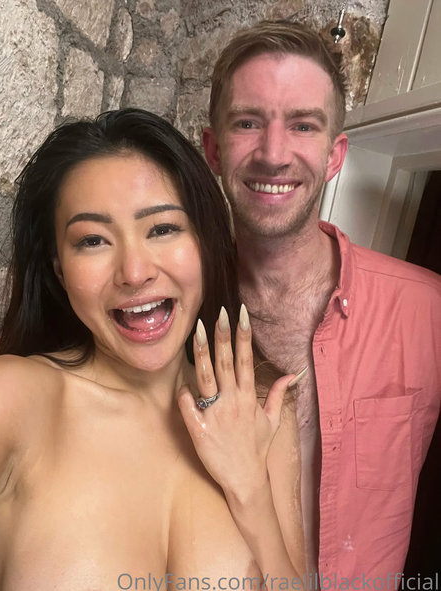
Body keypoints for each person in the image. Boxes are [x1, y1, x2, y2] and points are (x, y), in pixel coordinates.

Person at [0, 108, 306, 589]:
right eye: (93, 240)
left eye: (162, 229)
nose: (134, 272)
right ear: (59, 269)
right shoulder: (5, 400)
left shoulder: (261, 409)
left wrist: (250, 490)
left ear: (206, 241)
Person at [202, 20, 441, 582]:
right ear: (213, 149)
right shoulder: (174, 315)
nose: (274, 153)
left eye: (303, 125)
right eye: (247, 122)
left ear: (335, 155)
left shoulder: (427, 312)